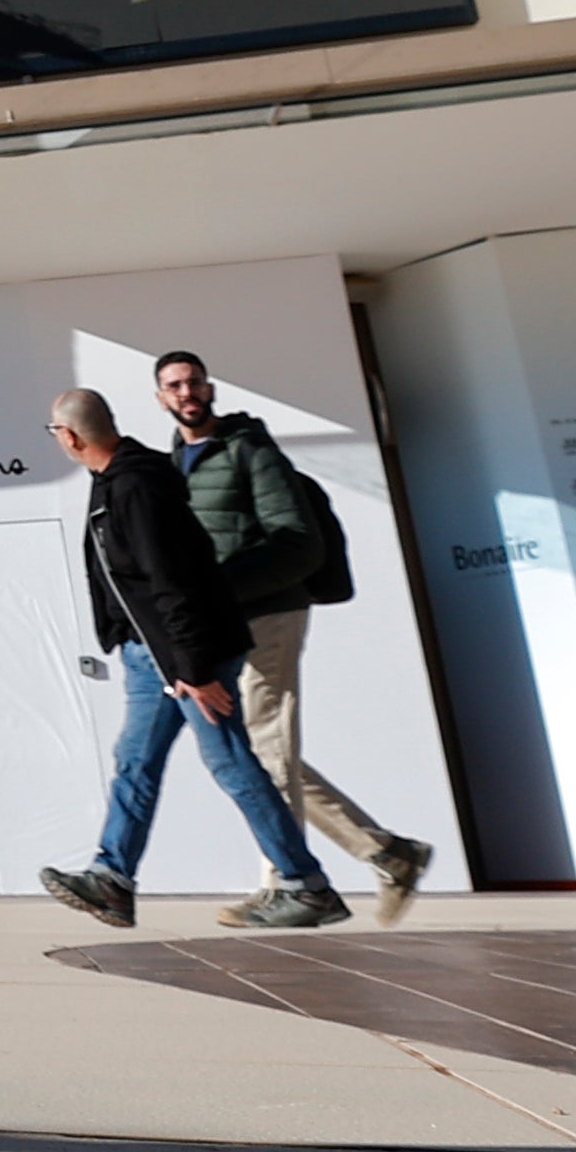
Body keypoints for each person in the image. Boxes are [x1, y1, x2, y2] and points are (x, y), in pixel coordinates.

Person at [36, 389, 343, 930]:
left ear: (71, 436)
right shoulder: (117, 481)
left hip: (179, 655)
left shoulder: (134, 487)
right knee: (136, 762)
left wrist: (193, 670)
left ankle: (305, 885)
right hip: (151, 654)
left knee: (229, 761)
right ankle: (112, 879)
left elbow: (171, 584)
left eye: (55, 432)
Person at [154, 348, 436, 917]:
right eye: (174, 386)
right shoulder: (173, 464)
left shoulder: (251, 450)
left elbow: (297, 543)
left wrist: (223, 589)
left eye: (194, 382)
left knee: (266, 746)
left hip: (270, 613)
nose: (186, 393)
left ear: (210, 388)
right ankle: (386, 852)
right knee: (254, 750)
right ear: (161, 398)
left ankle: (289, 886)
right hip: (222, 622)